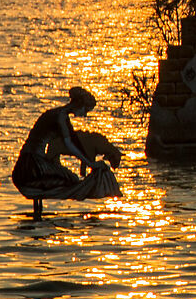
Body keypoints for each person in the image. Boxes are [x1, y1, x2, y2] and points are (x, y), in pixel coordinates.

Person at [9, 86, 121, 216]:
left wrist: (88, 162)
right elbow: (70, 144)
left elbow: (73, 143)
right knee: (69, 180)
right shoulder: (60, 117)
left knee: (67, 179)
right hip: (32, 163)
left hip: (32, 159)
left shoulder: (58, 114)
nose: (85, 115)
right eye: (85, 110)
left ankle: (38, 217)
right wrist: (91, 164)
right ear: (79, 105)